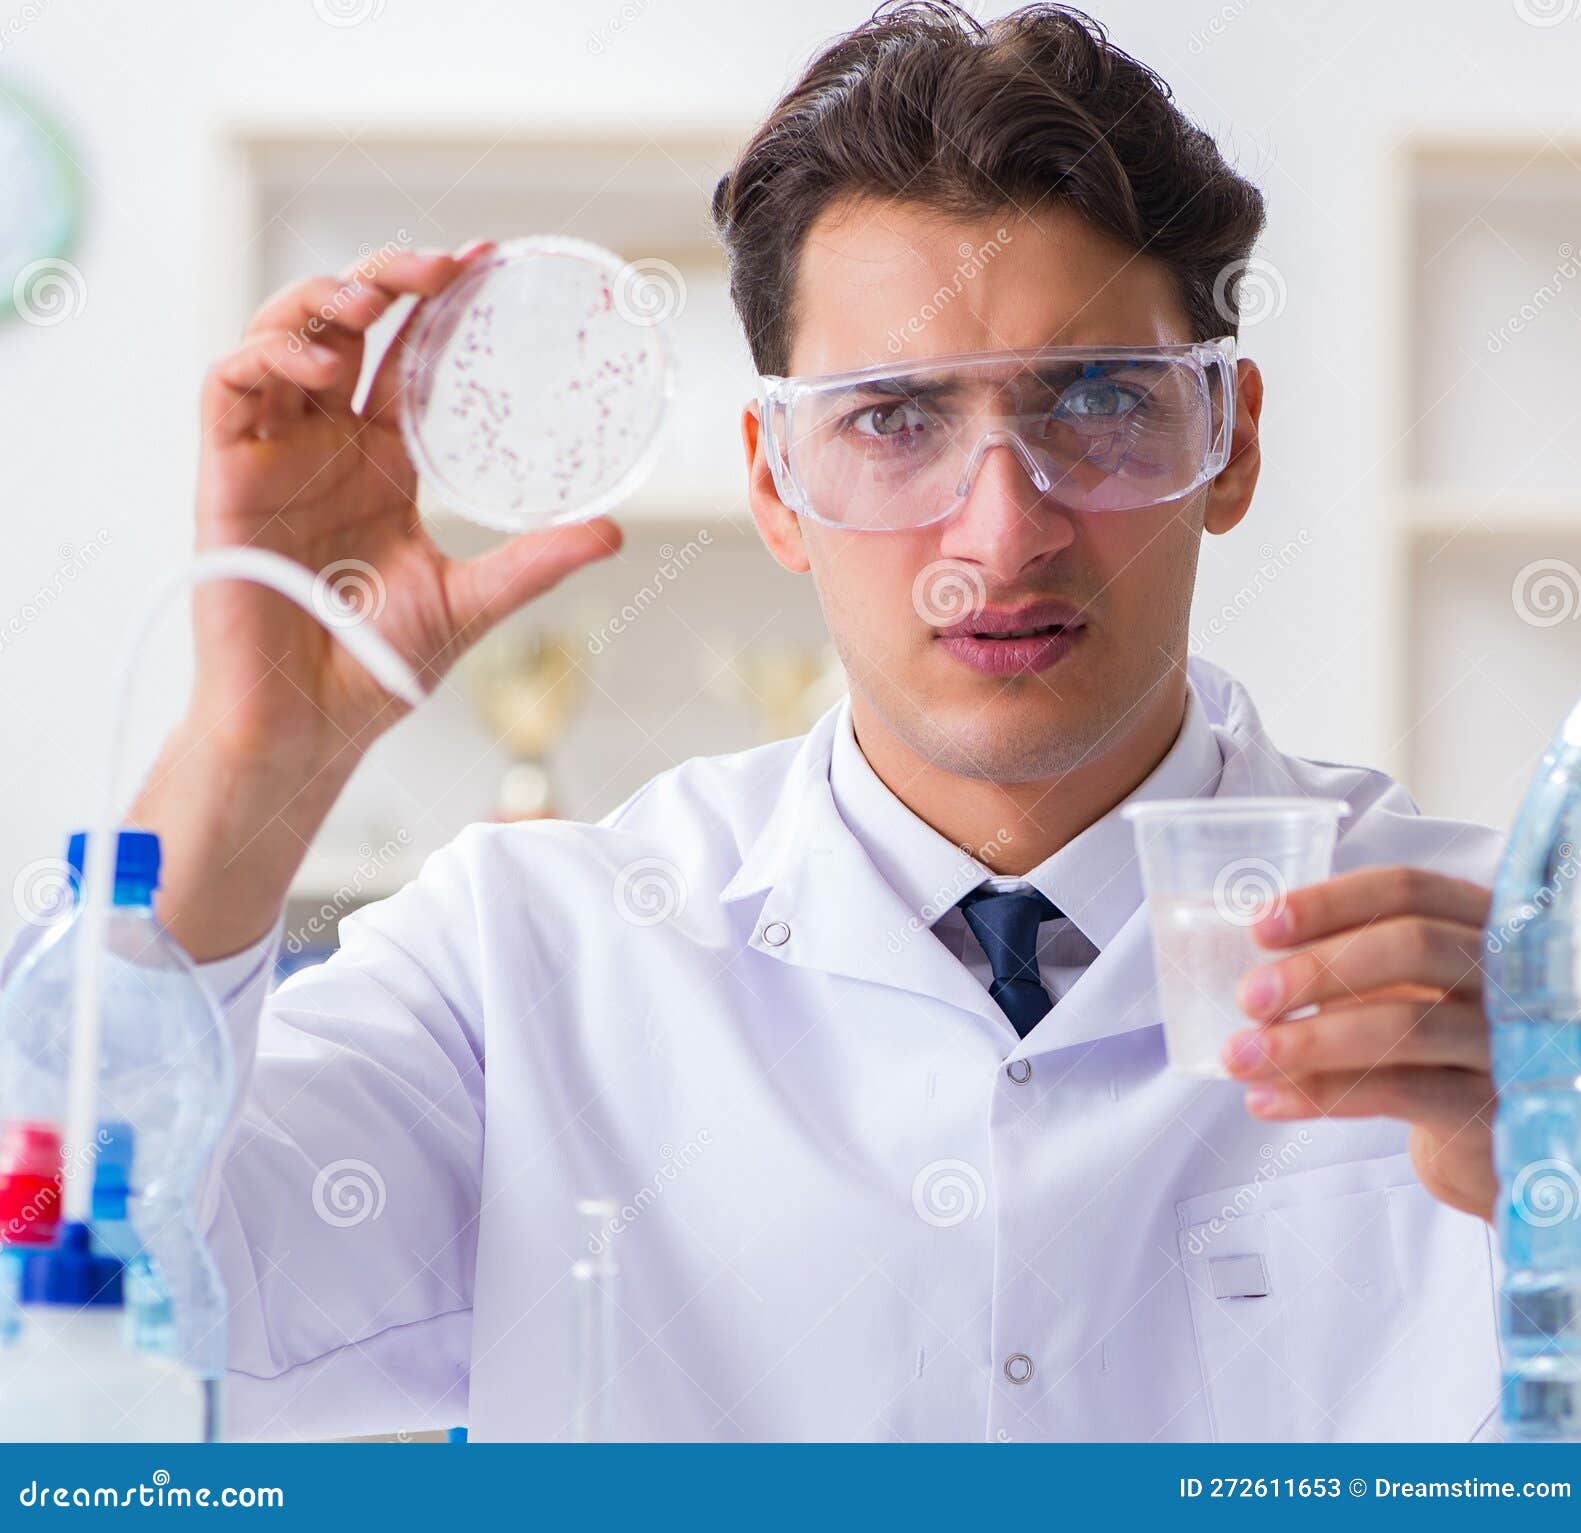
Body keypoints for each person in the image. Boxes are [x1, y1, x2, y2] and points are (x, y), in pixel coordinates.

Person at [122, 3, 1501, 1441]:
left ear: (1231, 439)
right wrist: (251, 752)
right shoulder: (530, 969)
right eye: (896, 418)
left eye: (1094, 399)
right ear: (777, 483)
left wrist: (1558, 1212)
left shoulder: (1504, 968)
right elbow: (124, 1297)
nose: (1002, 529)